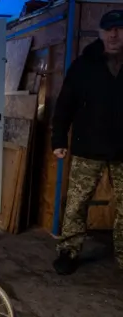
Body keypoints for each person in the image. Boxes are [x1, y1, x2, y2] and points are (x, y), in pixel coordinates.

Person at [51, 10, 123, 275]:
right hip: (87, 147)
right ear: (101, 33)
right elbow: (65, 104)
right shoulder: (84, 65)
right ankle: (68, 251)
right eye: (109, 29)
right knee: (76, 203)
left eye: (120, 29)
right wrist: (59, 138)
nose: (115, 34)